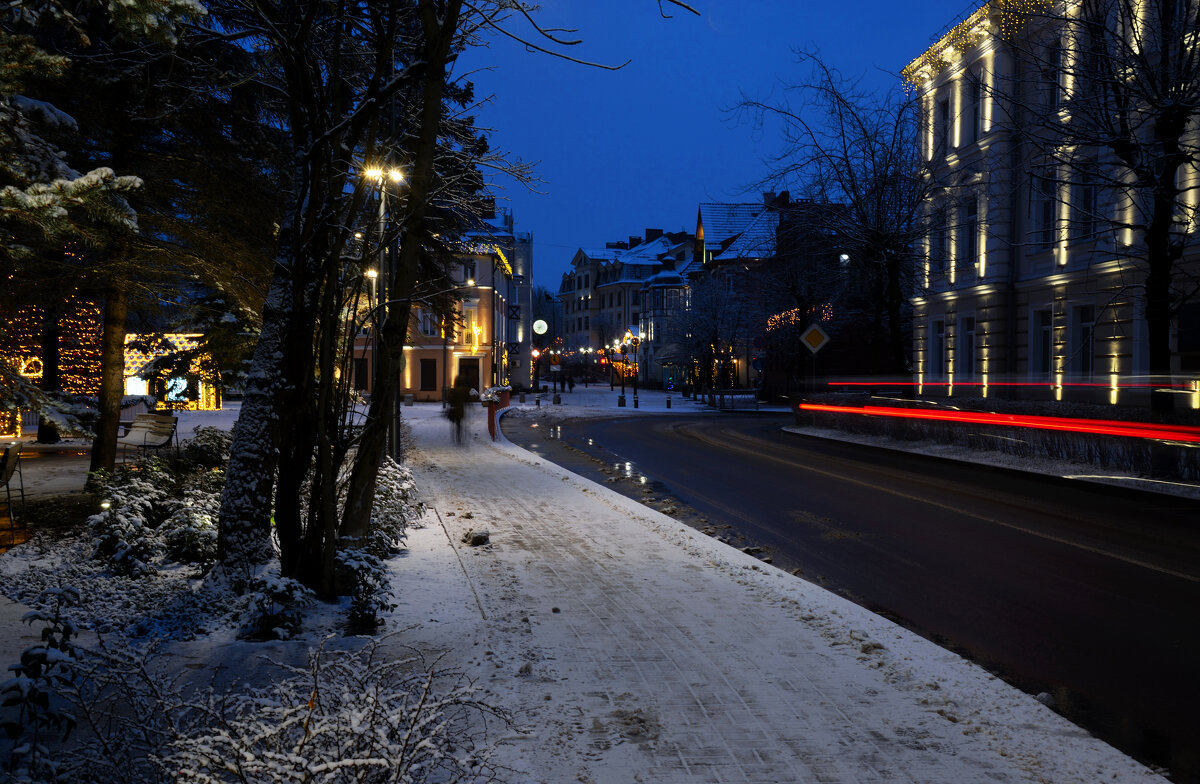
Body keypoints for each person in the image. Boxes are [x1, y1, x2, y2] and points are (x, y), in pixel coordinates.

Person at [446, 375, 469, 444]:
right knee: (459, 424)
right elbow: (467, 399)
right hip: (461, 410)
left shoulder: (453, 390)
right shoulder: (464, 390)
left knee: (455, 424)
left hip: (454, 409)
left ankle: (456, 437)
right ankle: (459, 437)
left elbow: (449, 399)